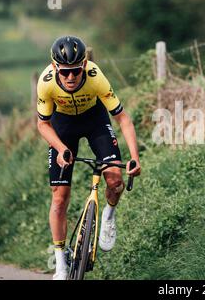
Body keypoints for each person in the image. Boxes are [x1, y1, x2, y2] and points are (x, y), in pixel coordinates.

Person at [36, 36, 141, 280]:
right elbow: (42, 125)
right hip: (62, 127)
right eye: (65, 72)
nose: (70, 77)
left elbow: (123, 118)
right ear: (55, 68)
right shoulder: (46, 83)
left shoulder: (95, 77)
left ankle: (108, 217)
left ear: (83, 66)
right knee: (59, 199)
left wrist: (134, 158)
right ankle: (61, 263)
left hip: (95, 120)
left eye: (75, 71)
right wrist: (61, 148)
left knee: (115, 180)